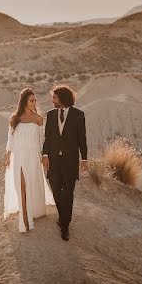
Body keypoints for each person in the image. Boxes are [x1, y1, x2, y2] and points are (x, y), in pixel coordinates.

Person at [4, 88, 55, 232]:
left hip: (33, 157)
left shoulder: (38, 119)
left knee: (32, 184)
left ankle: (33, 211)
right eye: (32, 100)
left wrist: (44, 156)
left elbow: (42, 140)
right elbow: (11, 139)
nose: (34, 102)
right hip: (19, 156)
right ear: (24, 102)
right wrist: (8, 155)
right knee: (21, 184)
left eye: (35, 100)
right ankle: (25, 219)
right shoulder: (15, 119)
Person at [41, 85, 87, 241]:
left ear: (62, 98)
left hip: (70, 161)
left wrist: (84, 158)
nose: (52, 100)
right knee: (55, 190)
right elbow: (47, 137)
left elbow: (82, 139)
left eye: (54, 97)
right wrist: (45, 154)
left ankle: (65, 225)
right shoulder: (51, 115)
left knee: (68, 193)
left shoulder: (78, 115)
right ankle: (62, 216)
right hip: (53, 160)